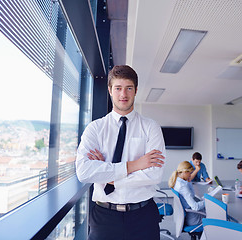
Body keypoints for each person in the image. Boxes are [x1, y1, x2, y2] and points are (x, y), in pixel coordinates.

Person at [75, 65, 166, 240]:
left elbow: (154, 175)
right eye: (118, 88)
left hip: (143, 216)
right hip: (104, 217)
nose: (123, 94)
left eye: (128, 88)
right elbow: (84, 172)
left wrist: (105, 174)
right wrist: (135, 165)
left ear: (136, 90)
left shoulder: (150, 127)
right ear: (110, 90)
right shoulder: (95, 128)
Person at [168, 161, 205, 226]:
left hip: (189, 215)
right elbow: (195, 207)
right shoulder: (183, 187)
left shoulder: (178, 181)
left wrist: (189, 181)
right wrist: (207, 201)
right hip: (193, 219)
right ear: (185, 172)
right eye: (190, 173)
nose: (190, 175)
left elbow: (192, 195)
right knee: (215, 215)